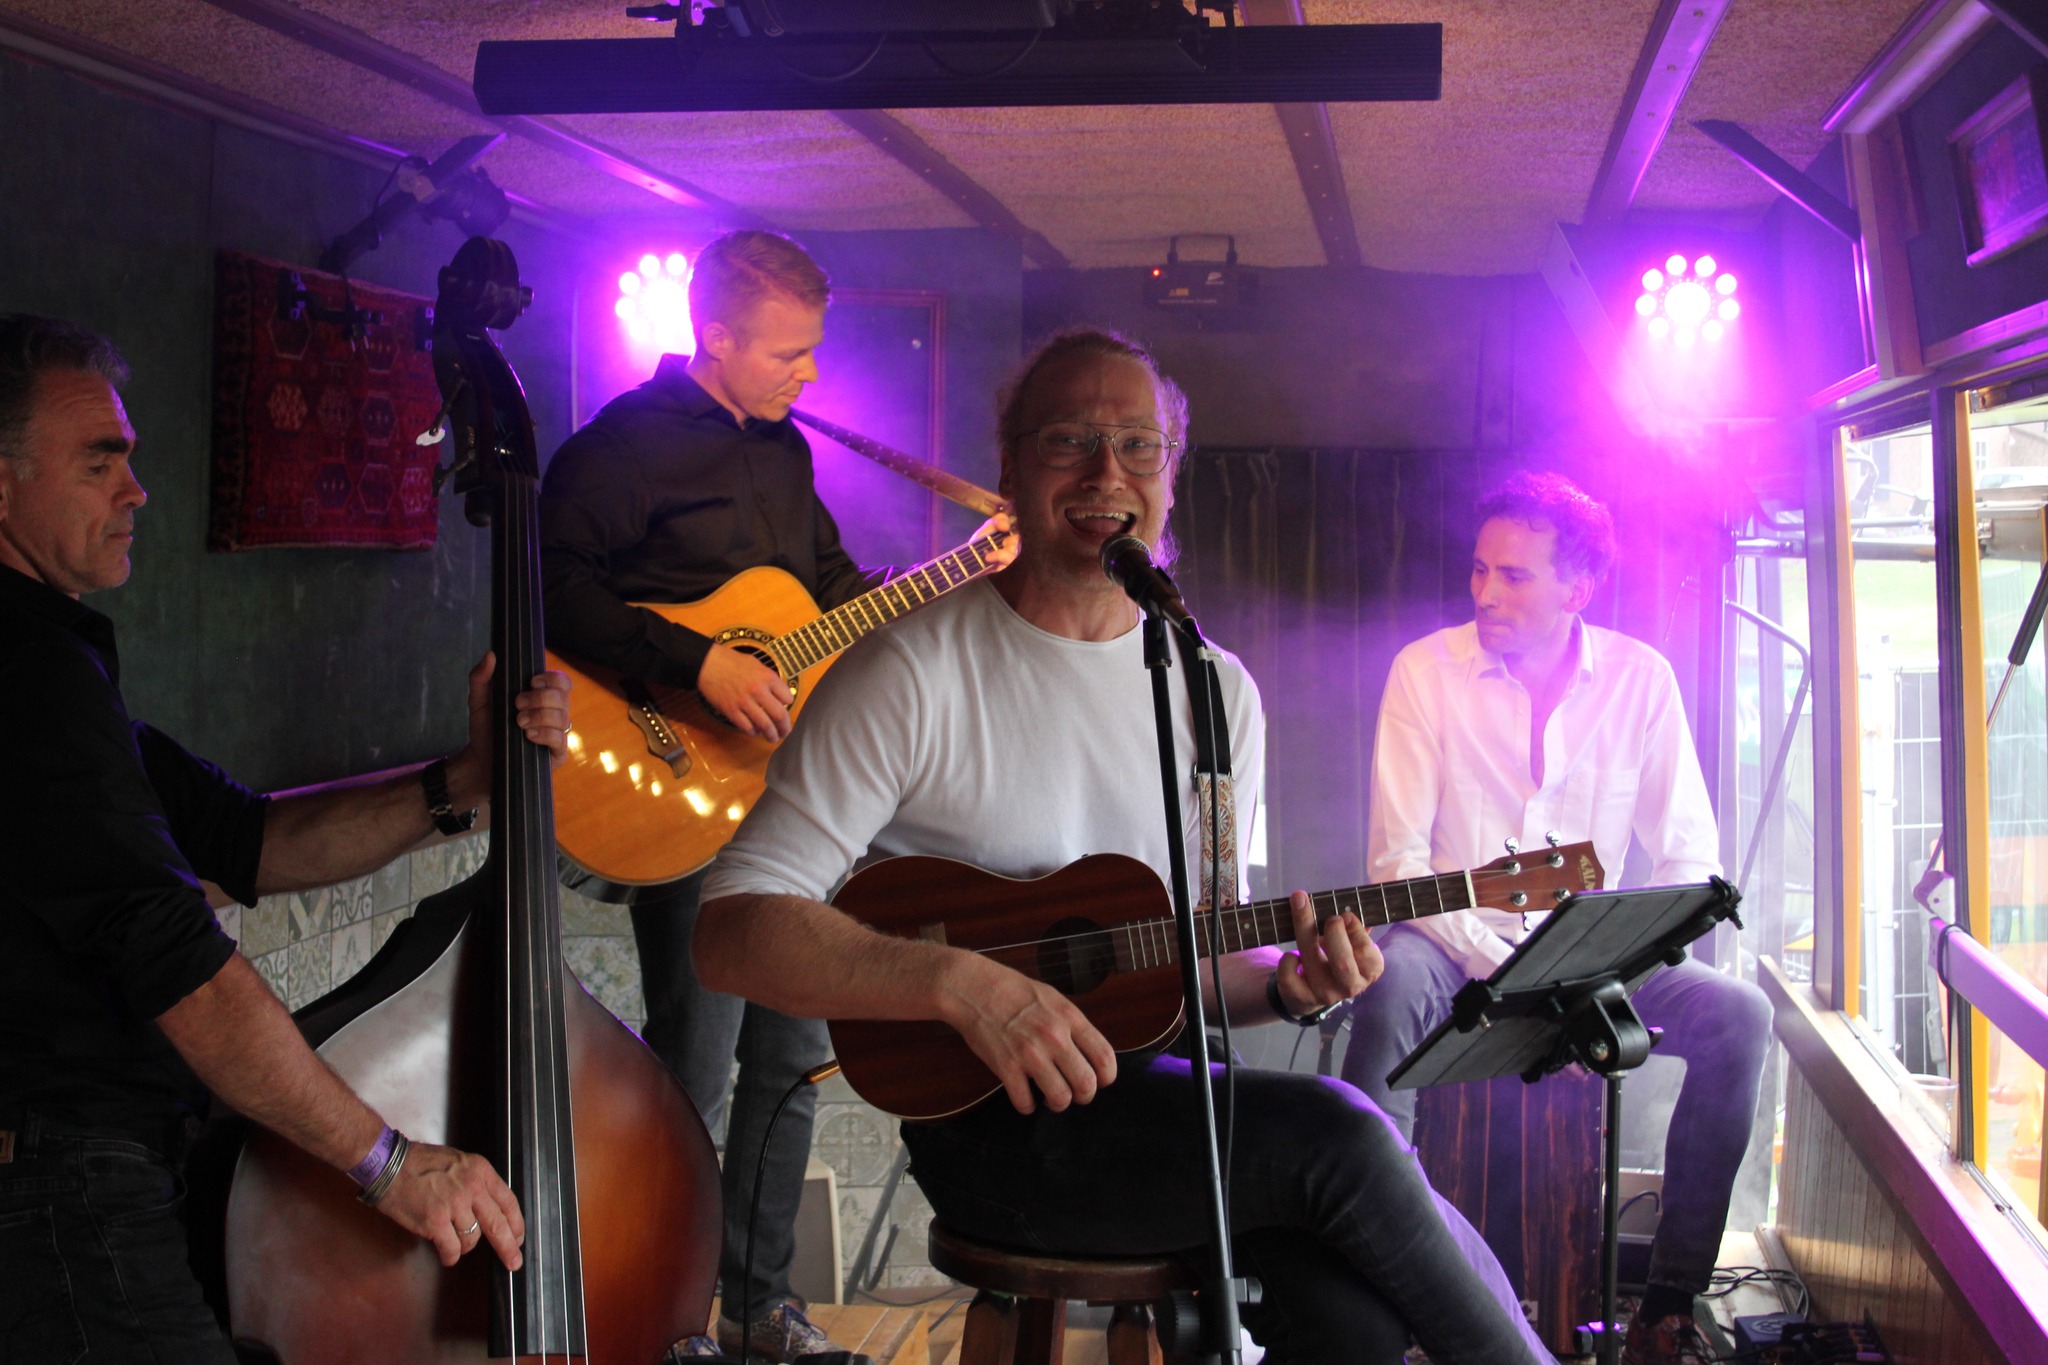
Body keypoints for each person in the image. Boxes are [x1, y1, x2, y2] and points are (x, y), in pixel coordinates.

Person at [695, 329, 1552, 1365]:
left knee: (1352, 1321)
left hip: (1161, 1102)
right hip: (995, 1133)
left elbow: (1194, 966)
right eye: (1069, 440)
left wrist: (1288, 987)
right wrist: (956, 982)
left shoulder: (1214, 690)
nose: (1107, 473)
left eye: (1137, 447)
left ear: (1170, 478)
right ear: (1009, 465)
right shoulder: (907, 672)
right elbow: (731, 930)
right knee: (1342, 1128)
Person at [0, 314, 575, 1361]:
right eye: (100, 463)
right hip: (55, 1184)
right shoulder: (23, 677)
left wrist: (465, 784)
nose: (137, 491)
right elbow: (176, 957)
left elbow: (247, 843)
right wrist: (388, 1164)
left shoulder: (56, 661)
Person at [539, 229, 1015, 1360]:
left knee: (790, 1058)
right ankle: (658, 1314)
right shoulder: (619, 451)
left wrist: (952, 579)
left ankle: (757, 1311)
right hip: (670, 784)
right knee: (691, 1069)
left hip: (785, 804)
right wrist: (692, 662)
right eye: (790, 352)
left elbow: (830, 595)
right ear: (714, 337)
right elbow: (547, 590)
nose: (810, 373)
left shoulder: (786, 454)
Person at [1339, 471, 1773, 1365]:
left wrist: (1616, 951)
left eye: (1515, 576)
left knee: (1741, 1015)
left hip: (1597, 958)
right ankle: (1367, 1298)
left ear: (1577, 589)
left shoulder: (1641, 681)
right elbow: (1397, 864)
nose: (1487, 593)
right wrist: (1492, 961)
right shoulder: (1424, 671)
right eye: (1479, 571)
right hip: (1450, 946)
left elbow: (1689, 854)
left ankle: (1668, 1302)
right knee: (1383, 996)